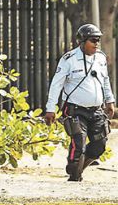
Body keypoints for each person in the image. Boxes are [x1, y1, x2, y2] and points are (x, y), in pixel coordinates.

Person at [45, 24, 115, 182]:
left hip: (96, 110)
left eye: (98, 40)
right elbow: (56, 84)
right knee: (79, 144)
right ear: (82, 41)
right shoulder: (68, 59)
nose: (97, 43)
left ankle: (78, 168)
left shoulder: (101, 57)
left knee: (99, 145)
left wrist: (109, 100)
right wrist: (50, 109)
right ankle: (74, 173)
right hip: (75, 110)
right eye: (93, 40)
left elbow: (105, 81)